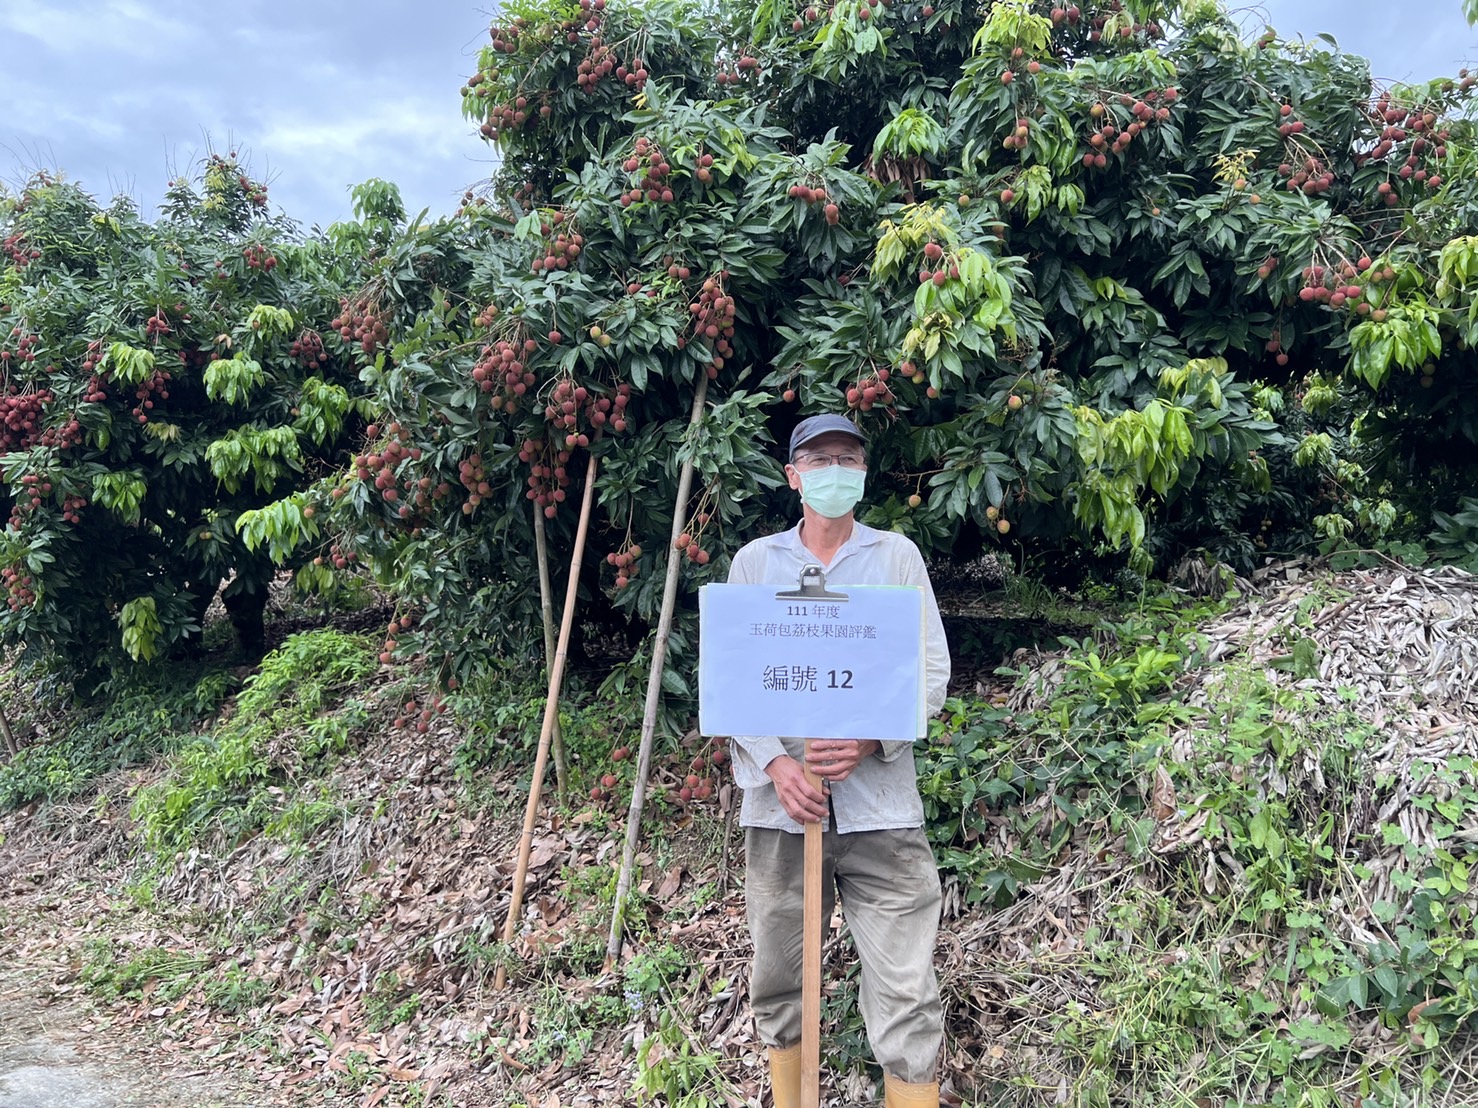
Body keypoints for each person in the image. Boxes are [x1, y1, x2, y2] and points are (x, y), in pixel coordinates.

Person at [727, 413, 951, 1108]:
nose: (834, 471)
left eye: (847, 459)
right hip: (782, 814)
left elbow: (931, 670)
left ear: (862, 473)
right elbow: (734, 679)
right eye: (819, 460)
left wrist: (869, 739)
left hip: (883, 813)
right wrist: (777, 767)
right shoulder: (758, 564)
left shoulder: (895, 558)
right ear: (793, 476)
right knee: (780, 980)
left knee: (908, 990)